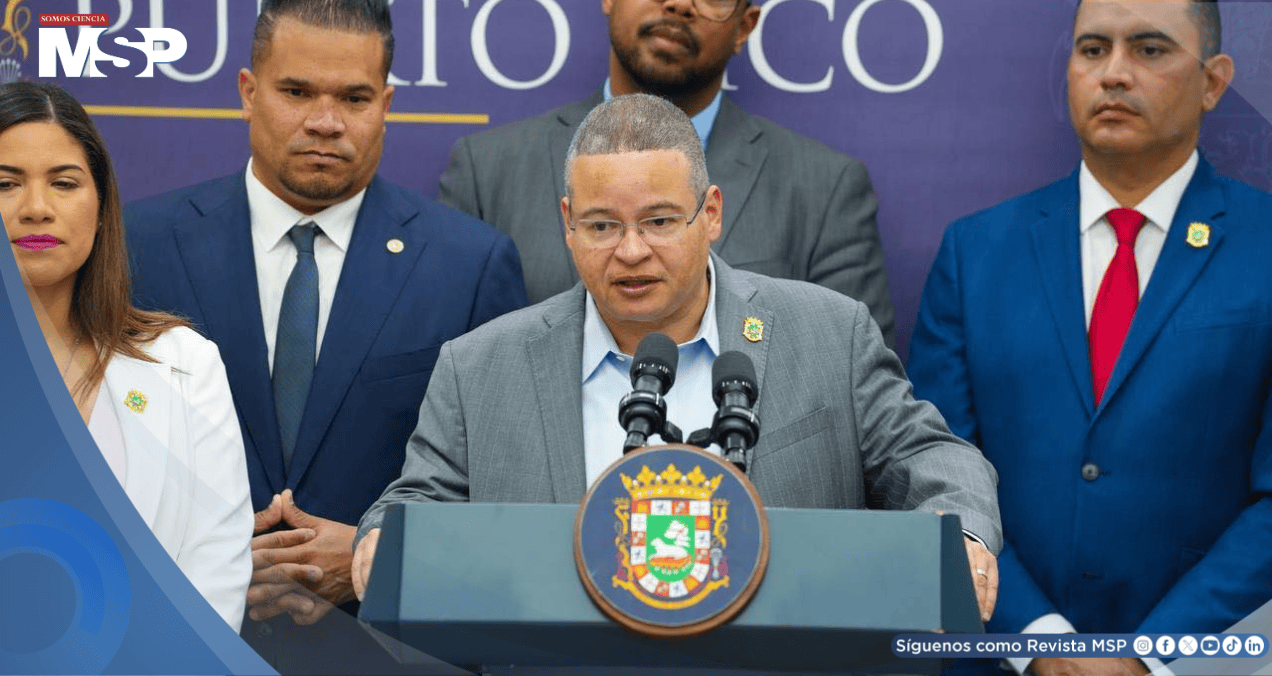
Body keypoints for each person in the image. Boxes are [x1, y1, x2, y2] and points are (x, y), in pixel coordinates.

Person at [354, 93, 1002, 622]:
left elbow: (931, 457)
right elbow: (418, 499)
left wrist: (963, 536)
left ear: (710, 213)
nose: (631, 251)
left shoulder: (830, 333)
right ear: (567, 223)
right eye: (602, 225)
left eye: (660, 221)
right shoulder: (479, 367)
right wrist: (384, 537)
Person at [123, 0, 528, 660]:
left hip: (386, 652)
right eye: (296, 92)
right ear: (248, 92)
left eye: (354, 98)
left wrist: (378, 555)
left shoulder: (470, 264)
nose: (326, 121)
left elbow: (505, 491)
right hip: (177, 646)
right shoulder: (138, 246)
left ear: (386, 104)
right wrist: (211, 555)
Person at [908, 1, 1272, 675]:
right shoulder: (976, 251)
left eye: (1150, 50)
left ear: (1214, 81)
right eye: (1093, 49)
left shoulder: (1265, 245)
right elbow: (935, 470)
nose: (1114, 73)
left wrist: (1150, 657)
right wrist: (1039, 641)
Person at [437, 0, 896, 344]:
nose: (679, 4)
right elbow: (456, 381)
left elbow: (847, 387)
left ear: (744, 26)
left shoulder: (825, 189)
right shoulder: (487, 171)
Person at [0, 82, 252, 631]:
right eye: (6, 184)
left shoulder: (184, 363)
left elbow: (216, 564)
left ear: (101, 207)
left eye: (64, 183)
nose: (36, 209)